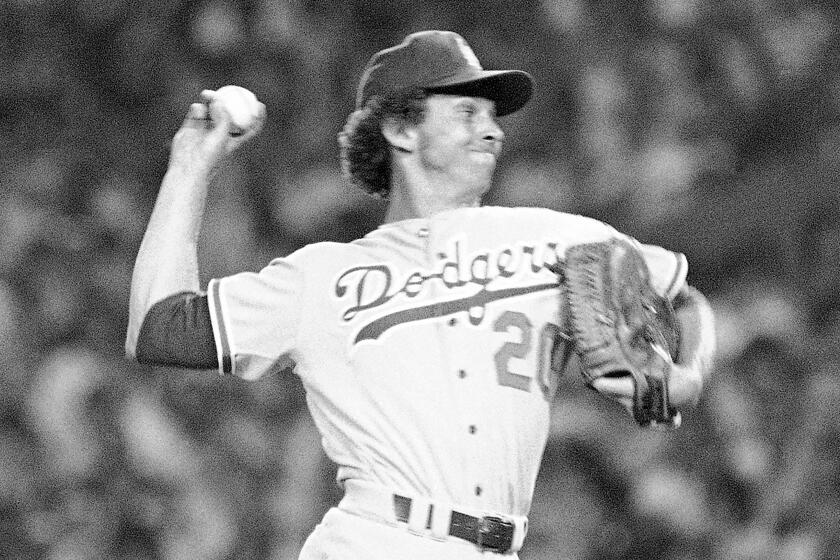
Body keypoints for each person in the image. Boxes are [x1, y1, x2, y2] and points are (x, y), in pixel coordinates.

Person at [125, 30, 715, 559]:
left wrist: (687, 376)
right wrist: (188, 166)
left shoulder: (557, 238)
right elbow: (158, 328)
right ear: (401, 129)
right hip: (376, 540)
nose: (492, 128)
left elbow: (684, 300)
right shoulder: (324, 277)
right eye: (466, 110)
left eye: (491, 114)